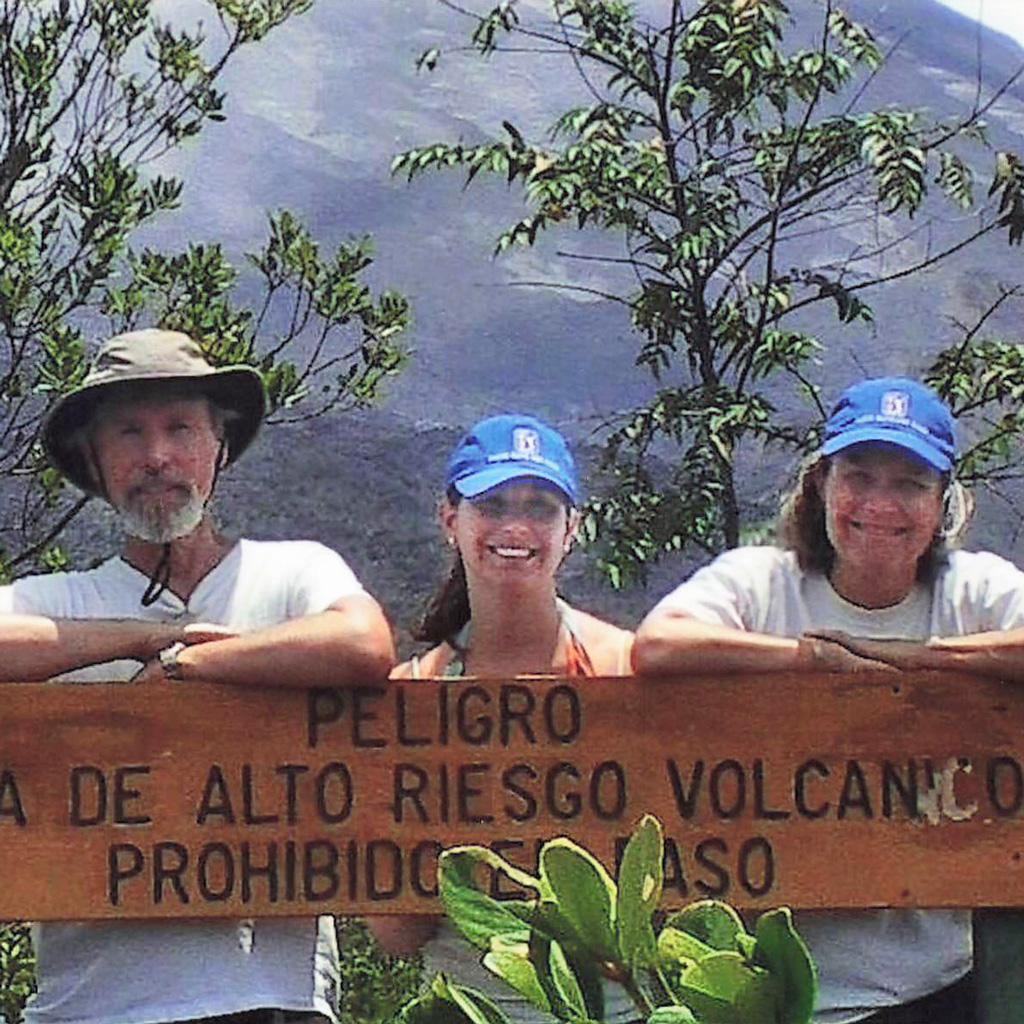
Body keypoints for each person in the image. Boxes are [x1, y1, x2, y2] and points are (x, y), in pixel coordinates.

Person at [0, 328, 395, 1024]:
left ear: (219, 446)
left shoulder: (294, 571)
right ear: (95, 461)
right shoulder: (56, 601)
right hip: (87, 1008)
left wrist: (188, 665)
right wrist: (150, 635)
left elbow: (362, 642)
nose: (156, 457)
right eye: (128, 434)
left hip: (274, 1001)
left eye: (180, 428)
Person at [634, 376, 1024, 1024]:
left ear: (943, 503)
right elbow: (659, 645)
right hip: (774, 990)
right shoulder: (761, 582)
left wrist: (916, 661)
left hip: (934, 992)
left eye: (909, 484)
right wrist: (806, 659)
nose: (880, 503)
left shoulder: (972, 589)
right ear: (821, 486)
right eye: (859, 477)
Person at [368, 413, 635, 1023]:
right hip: (466, 1009)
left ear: (571, 529)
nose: (516, 526)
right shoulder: (410, 695)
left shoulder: (626, 670)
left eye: (540, 507)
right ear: (449, 520)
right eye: (492, 504)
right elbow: (396, 934)